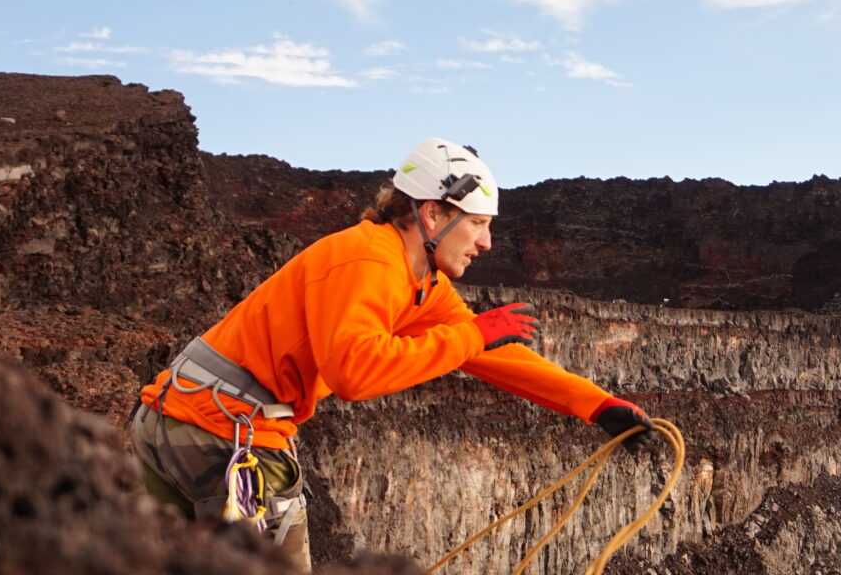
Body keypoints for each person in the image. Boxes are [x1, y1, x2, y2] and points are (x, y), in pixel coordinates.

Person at [128, 137, 653, 570]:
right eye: (477, 223)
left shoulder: (417, 281)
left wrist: (597, 405)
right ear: (432, 214)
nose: (486, 242)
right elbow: (355, 373)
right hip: (224, 436)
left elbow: (490, 351)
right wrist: (472, 337)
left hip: (176, 419)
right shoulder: (368, 259)